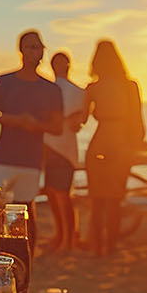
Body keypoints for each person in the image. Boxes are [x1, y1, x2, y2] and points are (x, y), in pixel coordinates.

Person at [0, 30, 64, 233]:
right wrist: (15, 120)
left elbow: (57, 127)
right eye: (31, 47)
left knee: (24, 214)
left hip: (31, 161)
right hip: (3, 157)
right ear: (21, 51)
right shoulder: (4, 81)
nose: (37, 52)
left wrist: (34, 124)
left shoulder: (52, 90)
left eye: (40, 47)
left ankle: (25, 261)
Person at [81, 40, 146, 256]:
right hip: (120, 144)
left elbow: (80, 118)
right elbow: (137, 119)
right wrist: (136, 143)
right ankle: (110, 246)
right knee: (114, 199)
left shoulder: (92, 88)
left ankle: (96, 247)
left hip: (99, 141)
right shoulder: (130, 86)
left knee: (97, 199)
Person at [43, 51, 86, 250]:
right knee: (52, 193)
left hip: (64, 148)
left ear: (68, 65)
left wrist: (77, 120)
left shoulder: (77, 91)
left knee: (62, 195)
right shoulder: (47, 90)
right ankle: (61, 236)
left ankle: (68, 239)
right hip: (48, 146)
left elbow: (81, 117)